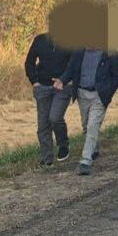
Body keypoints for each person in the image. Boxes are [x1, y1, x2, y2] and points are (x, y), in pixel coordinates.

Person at [54, 45, 118, 175]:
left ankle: (86, 161)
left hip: (99, 96)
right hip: (82, 94)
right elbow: (71, 70)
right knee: (86, 125)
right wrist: (62, 81)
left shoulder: (110, 52)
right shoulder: (78, 51)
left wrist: (108, 92)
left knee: (93, 125)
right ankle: (94, 149)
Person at [23, 30, 73, 167]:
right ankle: (47, 159)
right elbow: (29, 62)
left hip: (62, 87)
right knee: (43, 124)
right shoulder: (40, 40)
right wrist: (34, 82)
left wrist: (65, 80)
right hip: (43, 87)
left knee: (55, 118)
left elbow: (75, 64)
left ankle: (63, 145)